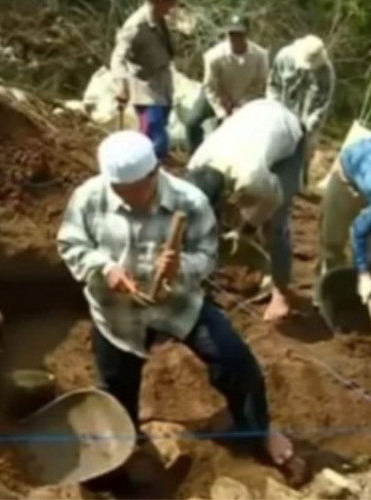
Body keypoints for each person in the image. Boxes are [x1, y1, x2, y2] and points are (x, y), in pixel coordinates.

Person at [57, 130, 294, 469]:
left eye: (134, 191)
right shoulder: (88, 198)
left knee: (234, 360)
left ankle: (259, 430)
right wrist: (105, 268)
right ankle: (125, 448)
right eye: (118, 191)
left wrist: (181, 268)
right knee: (115, 385)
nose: (126, 199)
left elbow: (209, 256)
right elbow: (71, 244)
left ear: (154, 173)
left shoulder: (190, 202)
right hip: (117, 312)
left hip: (177, 304)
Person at [186, 99, 305, 322]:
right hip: (253, 118)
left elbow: (273, 202)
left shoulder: (252, 177)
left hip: (286, 131)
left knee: (276, 224)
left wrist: (246, 229)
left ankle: (281, 296)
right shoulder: (195, 164)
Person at [185, 14, 268, 153]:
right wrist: (221, 111)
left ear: (247, 34)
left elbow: (260, 84)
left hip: (246, 97)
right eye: (232, 34)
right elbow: (210, 86)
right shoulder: (213, 56)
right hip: (217, 94)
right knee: (192, 122)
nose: (235, 38)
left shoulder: (260, 56)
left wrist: (242, 104)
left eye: (239, 34)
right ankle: (196, 155)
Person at [110, 0, 176, 159]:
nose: (171, 6)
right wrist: (122, 85)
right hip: (145, 87)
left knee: (160, 129)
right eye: (169, 3)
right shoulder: (135, 26)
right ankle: (145, 168)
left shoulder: (160, 20)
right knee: (155, 133)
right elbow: (117, 58)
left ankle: (151, 166)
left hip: (163, 84)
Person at [267, 35, 335, 175]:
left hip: (307, 123)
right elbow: (273, 85)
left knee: (303, 155)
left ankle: (299, 184)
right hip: (281, 115)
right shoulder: (284, 57)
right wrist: (274, 110)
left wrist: (307, 127)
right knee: (274, 153)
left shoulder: (326, 72)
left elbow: (322, 105)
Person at [318, 138, 371, 305]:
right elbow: (360, 230)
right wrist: (363, 275)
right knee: (333, 242)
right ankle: (326, 299)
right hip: (346, 181)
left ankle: (358, 297)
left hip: (365, 178)